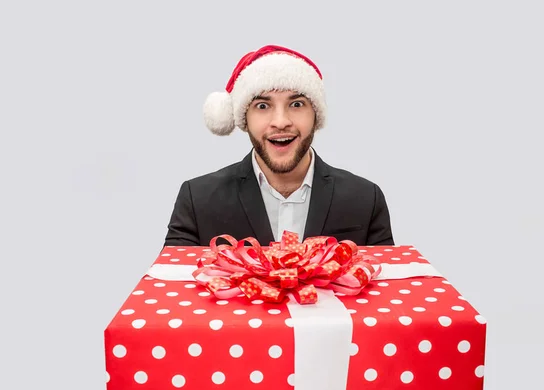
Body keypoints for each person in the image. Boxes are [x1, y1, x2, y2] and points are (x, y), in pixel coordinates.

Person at [164, 45, 394, 247]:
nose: (281, 121)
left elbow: (384, 290)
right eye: (263, 106)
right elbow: (170, 288)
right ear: (244, 118)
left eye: (296, 104)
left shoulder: (366, 199)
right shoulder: (197, 200)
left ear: (316, 114)